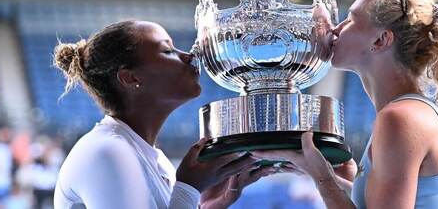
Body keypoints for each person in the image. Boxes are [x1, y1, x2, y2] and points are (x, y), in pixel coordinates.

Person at [253, 0, 438, 208]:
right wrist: (329, 174)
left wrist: (322, 178)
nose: (337, 29)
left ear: (380, 40)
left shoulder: (401, 119)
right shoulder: (406, 113)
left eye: (350, 19)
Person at [53, 20, 277, 209]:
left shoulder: (156, 160)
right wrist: (189, 187)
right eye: (168, 51)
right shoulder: (108, 151)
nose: (188, 56)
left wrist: (207, 205)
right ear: (130, 78)